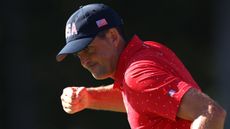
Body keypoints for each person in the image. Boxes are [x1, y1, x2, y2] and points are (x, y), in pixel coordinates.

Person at [56, 3, 226, 129]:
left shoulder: (137, 75)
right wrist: (89, 98)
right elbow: (145, 99)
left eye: (88, 49)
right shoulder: (146, 52)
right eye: (78, 54)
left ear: (113, 36)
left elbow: (211, 112)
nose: (84, 60)